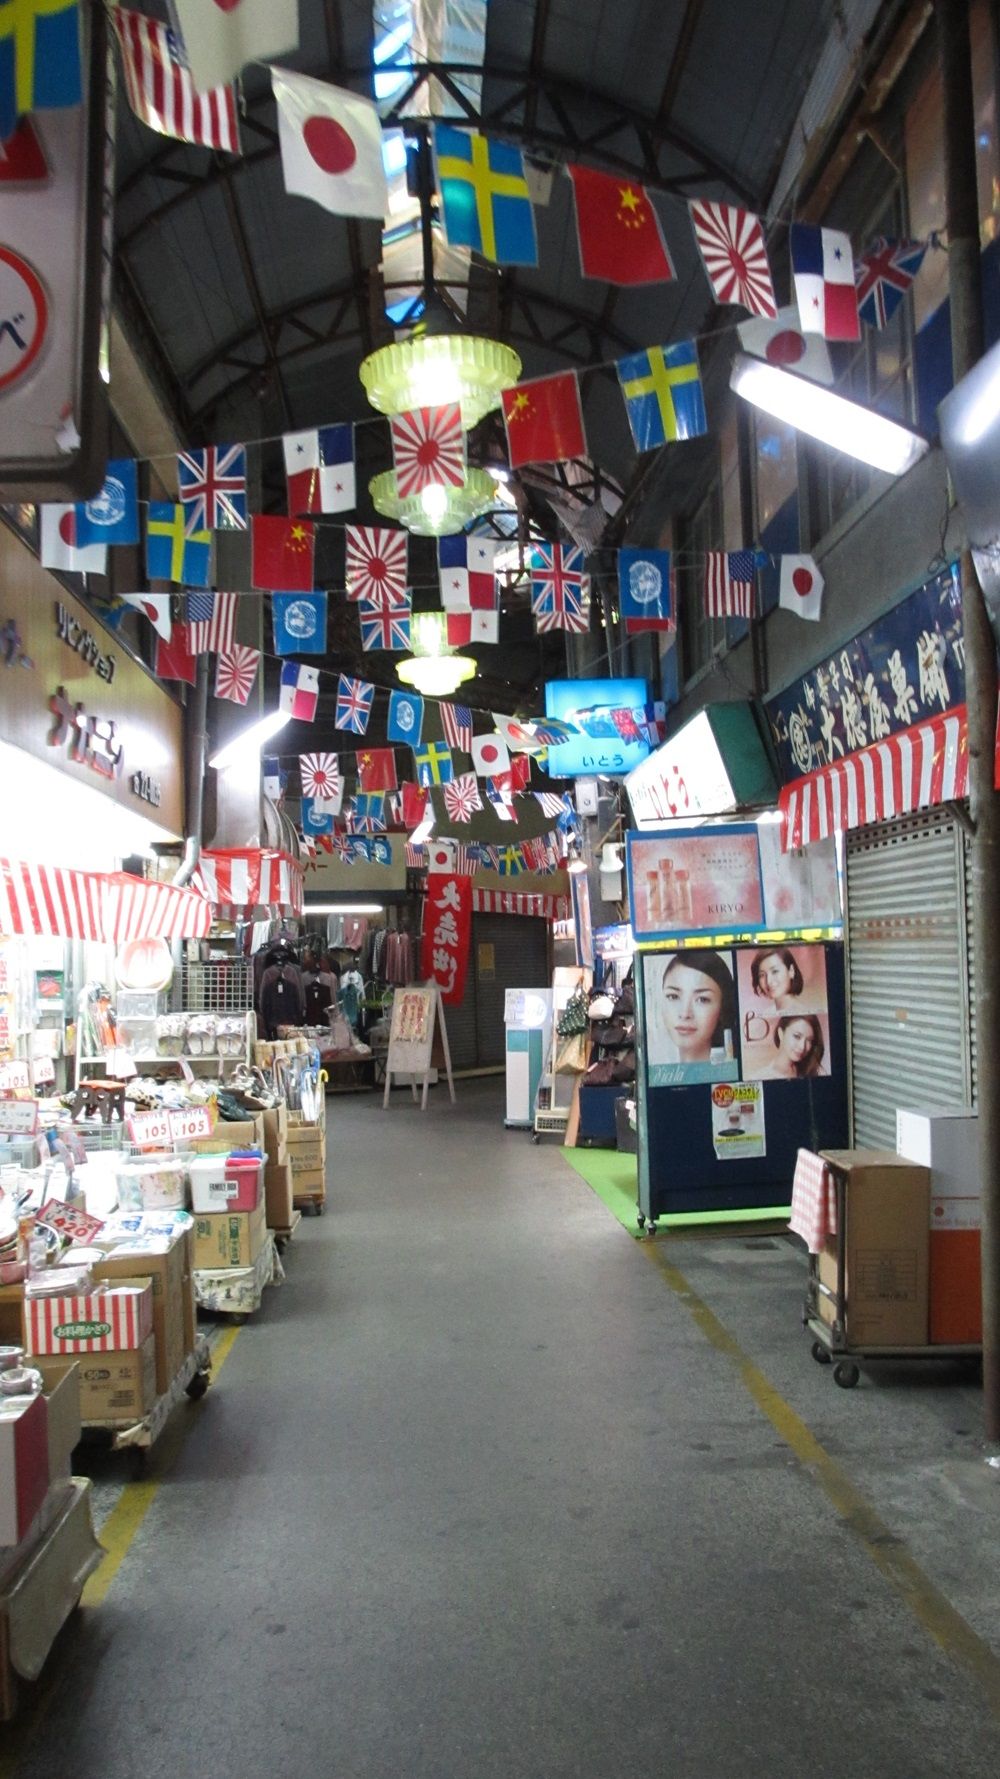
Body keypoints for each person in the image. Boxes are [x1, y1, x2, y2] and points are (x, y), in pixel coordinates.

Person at [659, 951, 737, 1064]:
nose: (685, 1014)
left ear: (722, 1007)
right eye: (673, 996)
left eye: (702, 999)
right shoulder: (661, 1076)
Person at [760, 1014, 826, 1080]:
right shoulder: (762, 1076)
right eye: (797, 1036)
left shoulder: (815, 1071)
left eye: (809, 1040)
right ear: (781, 1034)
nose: (802, 1047)